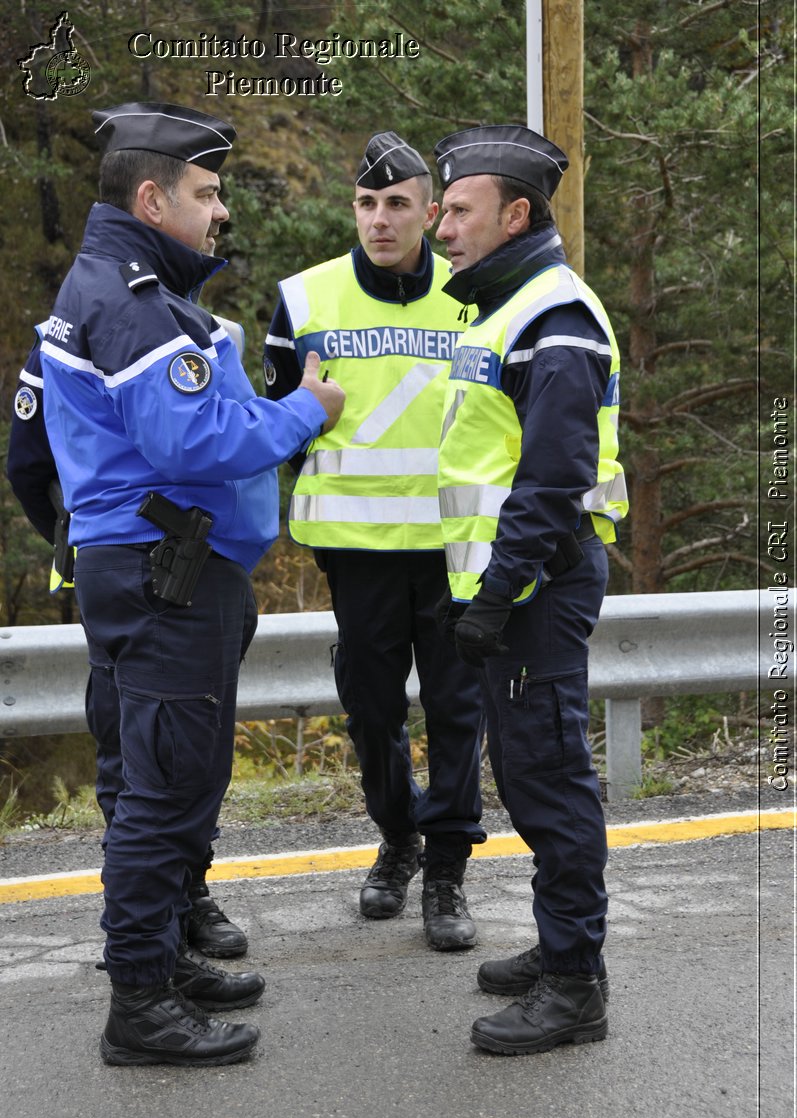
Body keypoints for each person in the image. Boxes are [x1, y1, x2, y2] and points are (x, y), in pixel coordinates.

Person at [37, 100, 344, 1067]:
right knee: (165, 793)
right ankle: (139, 1005)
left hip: (165, 571)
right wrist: (305, 411)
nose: (220, 211)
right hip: (166, 575)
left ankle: (164, 962)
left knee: (171, 782)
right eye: (206, 193)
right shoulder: (130, 300)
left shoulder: (136, 294)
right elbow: (193, 442)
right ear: (150, 196)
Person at [432, 124, 628, 1053]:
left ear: (515, 214)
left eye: (457, 210)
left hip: (536, 586)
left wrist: (494, 595)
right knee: (527, 770)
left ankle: (575, 981)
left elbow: (550, 483)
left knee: (548, 778)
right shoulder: (505, 310)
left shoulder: (553, 319)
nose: (440, 227)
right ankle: (559, 948)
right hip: (517, 588)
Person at [264, 132, 485, 950]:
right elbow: (277, 425)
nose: (380, 220)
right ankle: (399, 839)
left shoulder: (478, 296)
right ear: (352, 208)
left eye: (398, 204)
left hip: (454, 546)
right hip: (354, 551)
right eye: (367, 204)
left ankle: (449, 870)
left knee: (458, 711)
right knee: (371, 712)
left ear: (430, 212)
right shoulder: (304, 299)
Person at [9, 326, 250, 961]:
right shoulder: (68, 340)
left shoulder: (206, 336)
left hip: (198, 570)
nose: (216, 224)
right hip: (124, 573)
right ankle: (149, 920)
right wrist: (90, 536)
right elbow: (28, 464)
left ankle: (186, 892)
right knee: (129, 748)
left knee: (190, 747)